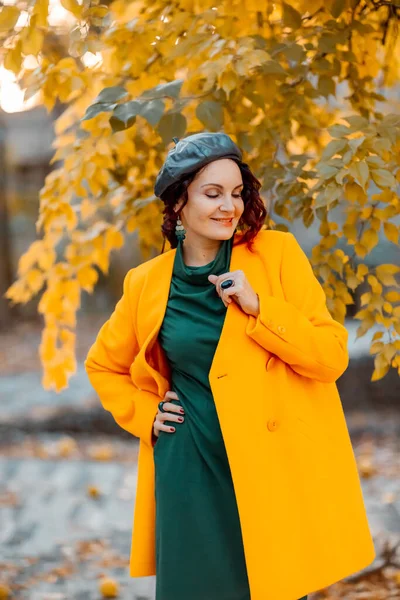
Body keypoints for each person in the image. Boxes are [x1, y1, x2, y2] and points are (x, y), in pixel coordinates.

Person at [84, 132, 376, 600]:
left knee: (273, 587)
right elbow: (103, 365)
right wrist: (147, 415)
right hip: (189, 464)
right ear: (179, 202)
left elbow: (331, 357)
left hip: (269, 466)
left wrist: (261, 308)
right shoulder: (146, 282)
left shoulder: (276, 256)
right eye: (213, 193)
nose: (229, 207)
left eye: (237, 193)